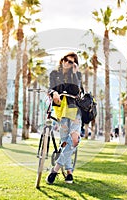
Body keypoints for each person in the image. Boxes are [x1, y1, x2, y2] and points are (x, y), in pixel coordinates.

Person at [46, 52, 83, 184]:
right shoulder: (54, 74)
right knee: (64, 142)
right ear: (62, 60)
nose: (68, 63)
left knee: (73, 140)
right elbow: (50, 88)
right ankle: (69, 172)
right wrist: (54, 92)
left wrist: (74, 74)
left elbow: (76, 91)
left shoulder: (77, 75)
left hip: (75, 110)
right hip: (62, 112)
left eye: (72, 62)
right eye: (66, 60)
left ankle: (54, 170)